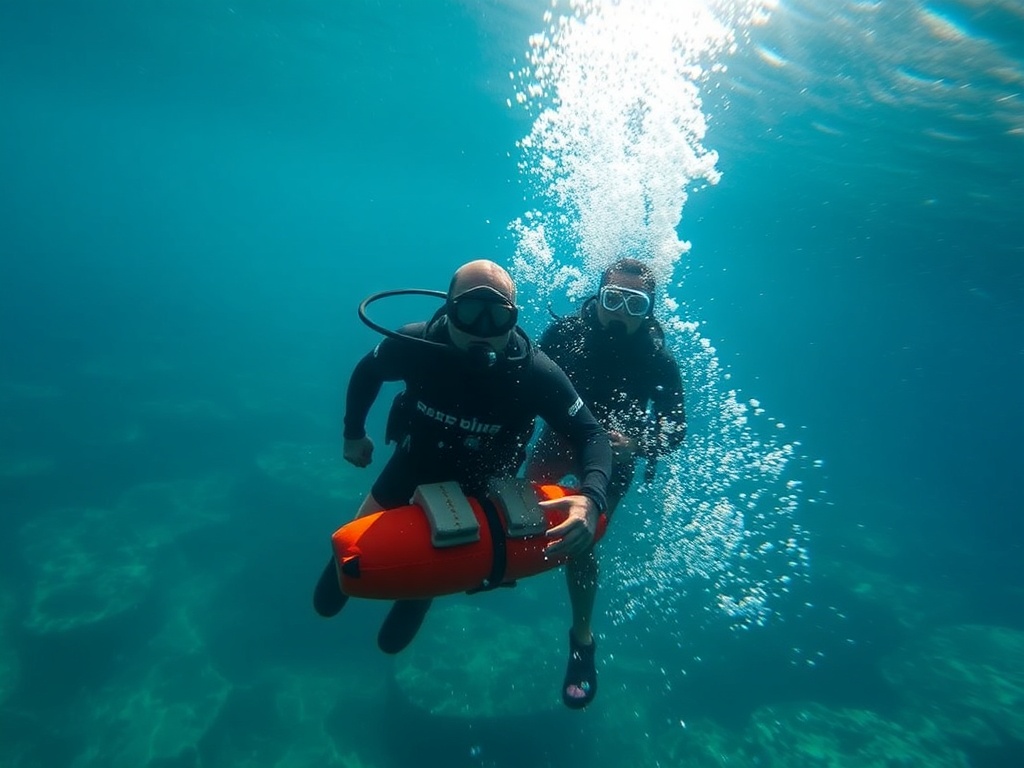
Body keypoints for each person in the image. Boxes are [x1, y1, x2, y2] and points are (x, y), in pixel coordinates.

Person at [313, 259, 613, 676]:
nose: (481, 330)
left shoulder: (534, 373)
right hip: (412, 465)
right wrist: (352, 432)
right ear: (449, 308)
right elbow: (368, 371)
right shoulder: (414, 345)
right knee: (330, 592)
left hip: (477, 491)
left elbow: (592, 436)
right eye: (470, 312)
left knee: (396, 633)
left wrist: (591, 498)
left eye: (497, 316)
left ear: (514, 318)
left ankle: (400, 617)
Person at [525, 257, 687, 709]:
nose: (620, 313)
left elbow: (676, 430)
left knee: (582, 540)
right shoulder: (565, 335)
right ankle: (500, 568)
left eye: (634, 305)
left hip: (616, 454)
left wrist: (638, 443)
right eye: (612, 300)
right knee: (521, 510)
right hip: (561, 438)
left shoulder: (658, 360)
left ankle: (582, 639)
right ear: (597, 297)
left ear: (650, 311)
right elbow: (524, 386)